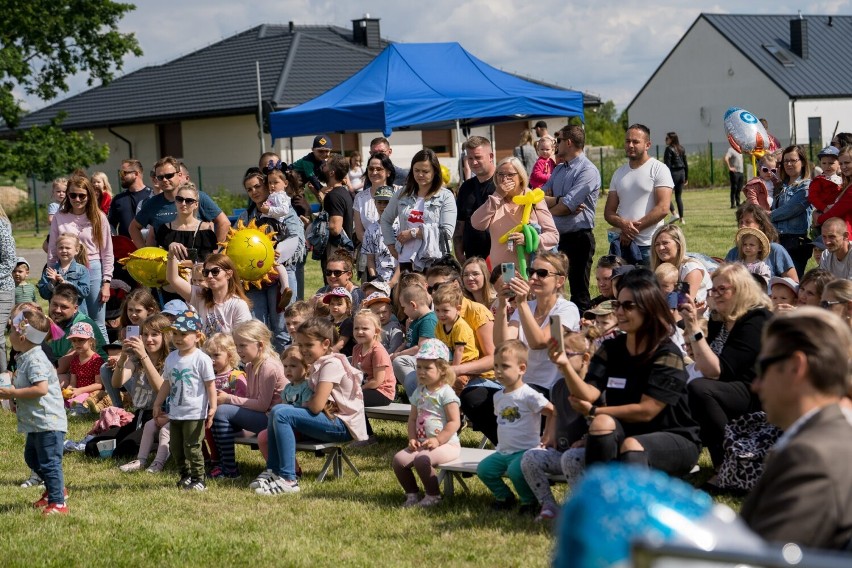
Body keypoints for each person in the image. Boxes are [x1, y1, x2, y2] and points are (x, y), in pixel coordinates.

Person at [558, 272, 701, 474]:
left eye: (628, 306)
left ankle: (632, 503)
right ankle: (600, 497)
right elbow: (589, 393)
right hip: (628, 431)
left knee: (629, 443)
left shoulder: (667, 353)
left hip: (674, 435)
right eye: (618, 305)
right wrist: (564, 365)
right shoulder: (610, 348)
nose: (620, 312)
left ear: (648, 310)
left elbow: (647, 410)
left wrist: (593, 411)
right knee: (602, 424)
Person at [740, 308, 852, 550]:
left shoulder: (810, 456)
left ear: (796, 367)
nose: (756, 385)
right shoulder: (832, 436)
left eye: (762, 368)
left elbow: (764, 560)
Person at [254, 318, 367, 495]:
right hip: (329, 419)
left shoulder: (331, 364)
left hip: (342, 426)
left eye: (308, 345)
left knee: (281, 413)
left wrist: (302, 405)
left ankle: (288, 479)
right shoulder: (319, 363)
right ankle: (274, 472)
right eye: (300, 345)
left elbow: (315, 406)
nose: (303, 350)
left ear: (326, 343)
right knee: (279, 411)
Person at [681, 263, 772, 473]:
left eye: (723, 289)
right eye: (714, 289)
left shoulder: (757, 320)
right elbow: (705, 366)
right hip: (727, 388)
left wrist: (694, 328)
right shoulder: (720, 320)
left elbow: (718, 371)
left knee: (700, 389)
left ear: (741, 289)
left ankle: (727, 465)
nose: (716, 294)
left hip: (756, 393)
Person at [489, 252, 580, 444]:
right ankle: (508, 447)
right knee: (476, 398)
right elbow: (503, 344)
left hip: (552, 390)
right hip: (523, 387)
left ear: (560, 280)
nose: (534, 278)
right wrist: (503, 304)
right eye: (531, 272)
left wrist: (521, 304)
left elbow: (538, 342)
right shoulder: (528, 307)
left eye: (542, 273)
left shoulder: (567, 310)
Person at [0, 310, 68, 515]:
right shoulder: (25, 356)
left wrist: (13, 392)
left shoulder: (36, 359)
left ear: (21, 337)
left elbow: (41, 389)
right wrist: (15, 399)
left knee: (49, 462)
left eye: (10, 331)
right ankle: (53, 491)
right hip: (37, 421)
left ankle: (58, 502)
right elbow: (27, 385)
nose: (8, 335)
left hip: (49, 421)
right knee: (32, 457)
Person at [477, 340, 554, 514]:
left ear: (522, 369)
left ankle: (529, 502)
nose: (498, 371)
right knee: (484, 470)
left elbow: (552, 412)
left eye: (504, 366)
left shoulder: (529, 394)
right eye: (496, 366)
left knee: (515, 472)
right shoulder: (498, 396)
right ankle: (505, 497)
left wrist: (548, 436)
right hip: (503, 451)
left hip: (525, 451)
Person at [523, 331, 592, 522]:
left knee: (570, 458)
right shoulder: (558, 386)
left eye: (567, 355)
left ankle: (583, 511)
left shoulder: (593, 385)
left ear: (585, 358)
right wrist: (548, 438)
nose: (559, 360)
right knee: (530, 457)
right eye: (556, 354)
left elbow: (601, 419)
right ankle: (549, 506)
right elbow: (557, 414)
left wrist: (587, 440)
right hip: (563, 452)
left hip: (588, 454)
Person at [210, 320, 287, 479]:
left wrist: (228, 398)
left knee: (222, 411)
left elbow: (262, 405)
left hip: (274, 420)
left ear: (260, 344)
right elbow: (252, 400)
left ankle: (229, 469)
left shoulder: (268, 366)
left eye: (243, 345)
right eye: (237, 346)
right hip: (262, 417)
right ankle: (221, 464)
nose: (239, 350)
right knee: (216, 413)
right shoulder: (251, 366)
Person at [392, 339, 461, 508]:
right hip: (422, 444)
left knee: (422, 460)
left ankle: (433, 495)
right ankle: (412, 494)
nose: (421, 372)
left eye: (427, 368)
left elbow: (454, 422)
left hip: (447, 445)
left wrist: (438, 440)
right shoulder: (419, 391)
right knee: (399, 460)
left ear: (442, 370)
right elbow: (413, 419)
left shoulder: (446, 393)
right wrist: (412, 438)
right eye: (419, 367)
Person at [152, 310, 216, 492]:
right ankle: (185, 475)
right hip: (176, 412)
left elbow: (210, 385)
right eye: (175, 334)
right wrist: (158, 403)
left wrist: (213, 407)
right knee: (176, 447)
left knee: (192, 446)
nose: (178, 338)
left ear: (197, 336)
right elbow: (167, 383)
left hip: (194, 413)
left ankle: (199, 478)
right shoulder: (172, 358)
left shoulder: (201, 359)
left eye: (184, 334)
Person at [237, 168, 303, 346]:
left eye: (257, 186)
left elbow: (297, 240)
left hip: (280, 274)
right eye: (249, 189)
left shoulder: (285, 210)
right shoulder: (245, 216)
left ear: (266, 185)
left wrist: (278, 254)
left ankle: (286, 370)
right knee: (257, 327)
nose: (254, 192)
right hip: (254, 279)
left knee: (282, 328)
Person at [543, 125, 602, 311]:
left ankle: (582, 335)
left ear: (568, 142)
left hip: (579, 239)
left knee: (579, 292)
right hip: (555, 238)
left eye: (558, 140)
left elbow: (566, 207)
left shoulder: (588, 171)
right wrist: (557, 201)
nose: (555, 144)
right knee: (550, 287)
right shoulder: (559, 169)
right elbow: (539, 198)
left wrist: (552, 205)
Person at [48, 175, 114, 339]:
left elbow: (107, 252)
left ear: (89, 195)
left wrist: (106, 282)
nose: (77, 199)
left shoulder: (98, 217)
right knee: (69, 319)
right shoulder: (59, 216)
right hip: (65, 269)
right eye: (73, 195)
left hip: (93, 269)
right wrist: (51, 274)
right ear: (67, 195)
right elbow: (52, 250)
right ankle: (74, 361)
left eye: (82, 195)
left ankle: (105, 361)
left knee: (97, 321)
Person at [470, 156, 559, 268]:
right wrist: (497, 196)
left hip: (528, 272)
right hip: (500, 273)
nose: (504, 179)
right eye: (500, 174)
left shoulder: (534, 199)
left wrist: (529, 240)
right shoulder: (495, 201)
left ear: (521, 177)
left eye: (510, 175)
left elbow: (553, 236)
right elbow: (477, 223)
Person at [604, 124, 674, 266]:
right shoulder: (619, 173)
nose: (630, 145)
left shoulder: (659, 169)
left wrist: (631, 231)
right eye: (627, 141)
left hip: (649, 245)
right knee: (622, 287)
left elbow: (663, 208)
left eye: (635, 142)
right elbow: (608, 212)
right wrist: (623, 225)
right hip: (622, 245)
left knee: (650, 288)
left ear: (647, 145)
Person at [129, 156, 229, 249]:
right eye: (160, 177)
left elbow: (224, 222)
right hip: (166, 263)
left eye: (169, 176)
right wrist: (145, 253)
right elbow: (133, 228)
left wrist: (216, 251)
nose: (165, 180)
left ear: (179, 175)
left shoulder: (197, 197)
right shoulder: (152, 203)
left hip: (196, 262)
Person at [381, 148, 456, 272]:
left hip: (435, 261)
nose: (420, 175)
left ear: (435, 172)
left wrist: (413, 233)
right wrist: (391, 246)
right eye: (416, 170)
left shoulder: (446, 196)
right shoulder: (402, 193)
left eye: (425, 171)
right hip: (406, 260)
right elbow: (385, 220)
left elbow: (447, 232)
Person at [114, 313, 172, 472]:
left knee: (124, 449)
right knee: (93, 448)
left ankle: (164, 447)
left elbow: (161, 390)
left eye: (155, 334)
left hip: (160, 415)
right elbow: (116, 382)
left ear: (165, 336)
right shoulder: (135, 359)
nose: (149, 339)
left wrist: (144, 356)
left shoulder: (170, 360)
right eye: (145, 334)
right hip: (139, 415)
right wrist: (122, 358)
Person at [166, 252, 252, 338]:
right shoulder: (200, 296)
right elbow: (173, 279)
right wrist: (171, 254)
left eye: (215, 271)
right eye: (206, 272)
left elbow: (243, 338)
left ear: (228, 274)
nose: (210, 276)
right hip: (204, 350)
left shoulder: (238, 305)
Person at [724, 204, 798, 280]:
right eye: (741, 222)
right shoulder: (733, 253)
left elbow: (793, 282)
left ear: (761, 225)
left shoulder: (776, 250)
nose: (742, 226)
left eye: (748, 222)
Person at [771, 145, 812, 279]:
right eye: (785, 161)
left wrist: (766, 216)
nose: (788, 164)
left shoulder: (807, 186)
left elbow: (790, 210)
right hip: (777, 241)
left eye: (793, 160)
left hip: (795, 244)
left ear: (803, 162)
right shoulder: (781, 186)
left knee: (791, 284)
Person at [454, 136, 495, 263]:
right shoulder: (466, 187)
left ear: (491, 156)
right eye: (470, 158)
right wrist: (460, 255)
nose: (474, 162)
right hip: (472, 260)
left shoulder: (503, 184)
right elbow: (459, 226)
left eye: (478, 157)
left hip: (498, 259)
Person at [44, 283, 107, 367]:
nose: (57, 310)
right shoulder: (51, 322)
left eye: (64, 307)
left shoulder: (82, 326)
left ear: (75, 309)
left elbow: (62, 367)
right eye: (54, 304)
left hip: (90, 374)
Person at [650, 224, 712, 306]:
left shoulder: (690, 269)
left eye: (665, 243)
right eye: (657, 244)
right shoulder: (661, 268)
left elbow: (682, 305)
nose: (661, 248)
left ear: (678, 245)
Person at [319, 154, 355, 274]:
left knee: (334, 288)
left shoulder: (333, 196)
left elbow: (335, 228)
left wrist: (317, 224)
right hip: (343, 253)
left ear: (331, 173)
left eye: (326, 165)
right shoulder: (344, 193)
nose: (322, 168)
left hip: (335, 253)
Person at [37, 234, 90, 310]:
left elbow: (84, 292)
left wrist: (66, 283)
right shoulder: (49, 271)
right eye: (61, 248)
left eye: (68, 248)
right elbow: (44, 295)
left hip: (77, 314)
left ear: (77, 250)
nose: (64, 250)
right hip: (57, 314)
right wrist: (52, 283)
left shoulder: (82, 270)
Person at [362, 185, 400, 286]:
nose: (382, 206)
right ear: (375, 203)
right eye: (379, 202)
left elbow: (404, 256)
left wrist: (393, 282)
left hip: (399, 278)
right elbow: (370, 258)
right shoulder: (371, 229)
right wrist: (374, 278)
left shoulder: (401, 226)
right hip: (379, 280)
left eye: (386, 202)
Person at [816, 146, 852, 242]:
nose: (843, 166)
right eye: (841, 163)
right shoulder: (847, 184)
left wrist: (818, 219)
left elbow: (836, 211)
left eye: (847, 163)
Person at [109, 159, 152, 238]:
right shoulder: (118, 199)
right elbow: (111, 224)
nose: (121, 176)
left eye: (124, 173)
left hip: (148, 247)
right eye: (120, 173)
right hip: (126, 247)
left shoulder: (152, 196)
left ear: (135, 174)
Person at [663, 132, 688, 222]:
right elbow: (685, 164)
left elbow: (667, 165)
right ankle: (682, 218)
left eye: (667, 138)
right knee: (678, 197)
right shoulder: (681, 149)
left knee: (665, 196)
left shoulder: (669, 149)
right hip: (682, 173)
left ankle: (674, 214)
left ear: (672, 139)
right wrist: (686, 177)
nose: (665, 140)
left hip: (673, 174)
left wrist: (665, 177)